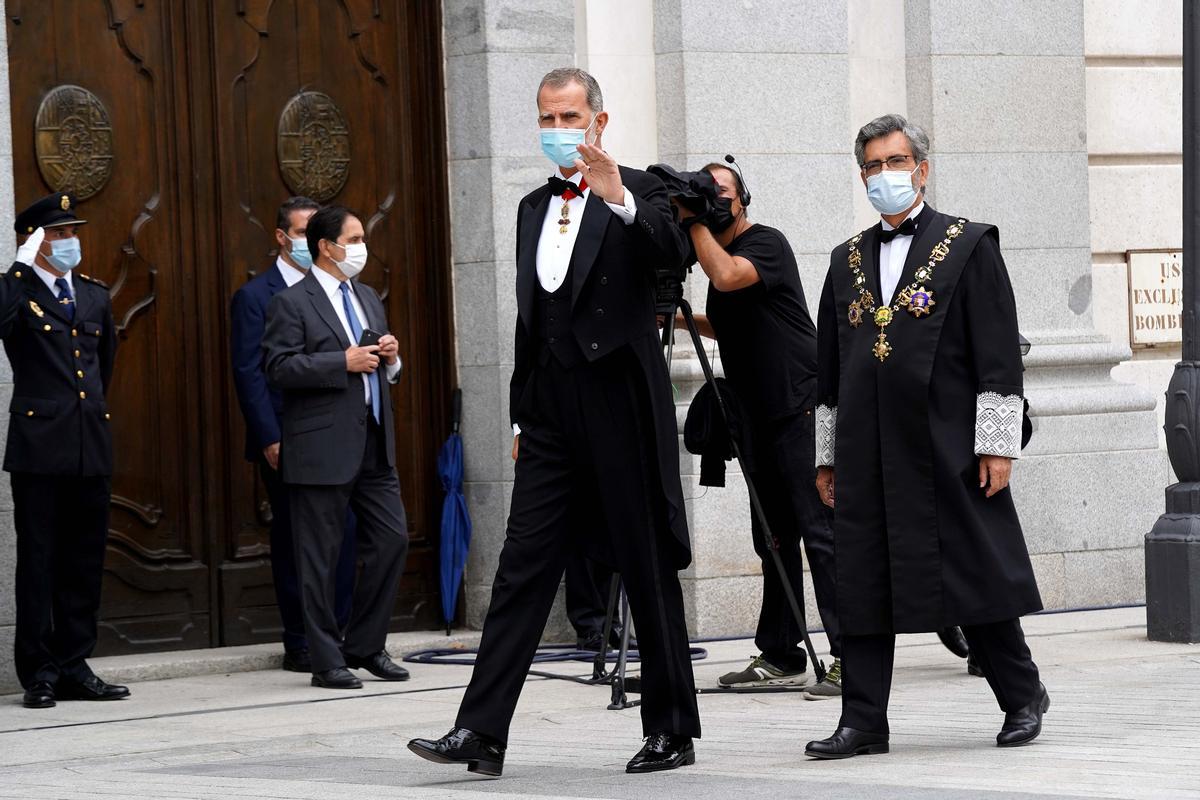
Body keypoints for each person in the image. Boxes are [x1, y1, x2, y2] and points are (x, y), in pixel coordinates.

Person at [408, 67, 700, 777]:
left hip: (620, 403)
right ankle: (481, 731)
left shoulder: (646, 191)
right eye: (546, 118)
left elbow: (676, 256)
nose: (557, 130)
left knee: (644, 562)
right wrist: (518, 413)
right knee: (521, 567)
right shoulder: (533, 207)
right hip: (549, 412)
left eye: (569, 117)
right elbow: (529, 323)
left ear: (599, 121)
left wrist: (622, 198)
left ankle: (671, 729)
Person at [805, 114, 1048, 759]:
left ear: (922, 168)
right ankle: (863, 721)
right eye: (873, 166)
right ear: (862, 176)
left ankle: (1021, 696)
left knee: (973, 575)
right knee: (860, 581)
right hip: (867, 450)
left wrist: (998, 443)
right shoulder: (845, 259)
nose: (885, 175)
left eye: (895, 161)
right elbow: (828, 368)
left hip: (948, 445)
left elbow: (998, 352)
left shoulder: (968, 246)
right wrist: (827, 457)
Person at [670, 161, 841, 693]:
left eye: (719, 192)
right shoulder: (721, 248)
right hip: (756, 412)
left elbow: (726, 276)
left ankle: (852, 654)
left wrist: (692, 219)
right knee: (772, 535)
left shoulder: (765, 243)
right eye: (703, 193)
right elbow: (727, 321)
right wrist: (676, 319)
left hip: (799, 406)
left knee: (821, 533)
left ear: (742, 199)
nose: (711, 201)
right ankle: (780, 653)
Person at [262, 205, 410, 690]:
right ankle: (326, 659)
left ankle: (365, 646)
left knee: (392, 540)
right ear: (327, 247)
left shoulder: (367, 295)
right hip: (321, 446)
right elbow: (279, 367)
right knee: (319, 559)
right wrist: (339, 362)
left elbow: (381, 367)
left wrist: (388, 358)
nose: (362, 246)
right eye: (355, 237)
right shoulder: (292, 301)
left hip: (372, 441)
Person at [5, 194, 127, 709]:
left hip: (88, 446)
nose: (68, 241)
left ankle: (75, 664)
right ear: (33, 240)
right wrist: (17, 266)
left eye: (70, 231)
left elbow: (105, 367)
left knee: (82, 561)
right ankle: (40, 673)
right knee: (39, 562)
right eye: (56, 234)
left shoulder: (95, 296)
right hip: (40, 450)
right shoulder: (17, 293)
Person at [230, 196, 358, 673]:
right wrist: (270, 437)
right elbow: (251, 372)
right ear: (282, 238)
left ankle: (339, 634)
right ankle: (300, 640)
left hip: (342, 438)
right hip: (288, 440)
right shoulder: (255, 297)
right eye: (304, 233)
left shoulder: (341, 287)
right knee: (296, 542)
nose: (312, 242)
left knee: (345, 537)